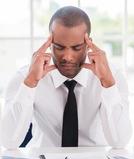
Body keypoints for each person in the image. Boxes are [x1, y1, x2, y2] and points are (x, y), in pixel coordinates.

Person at [0, 6, 132, 148]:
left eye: (76, 48)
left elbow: (120, 143)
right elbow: (8, 142)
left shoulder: (113, 76)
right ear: (49, 44)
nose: (67, 57)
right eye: (59, 47)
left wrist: (108, 84)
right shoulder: (25, 77)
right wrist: (30, 83)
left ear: (89, 45)